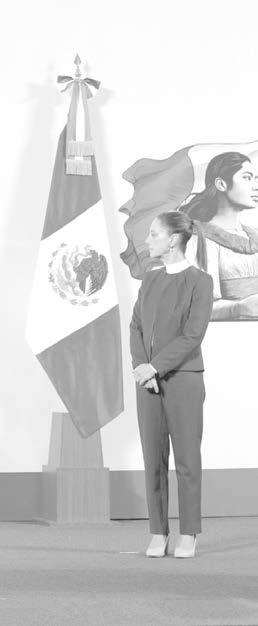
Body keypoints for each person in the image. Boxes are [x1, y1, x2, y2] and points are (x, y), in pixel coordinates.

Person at [130, 211, 213, 558]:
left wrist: (155, 366)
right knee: (153, 458)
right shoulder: (149, 279)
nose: (148, 239)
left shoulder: (200, 281)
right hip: (148, 382)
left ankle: (189, 532)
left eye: (154, 234)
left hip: (183, 380)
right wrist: (141, 367)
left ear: (174, 239)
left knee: (187, 459)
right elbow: (136, 326)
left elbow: (193, 335)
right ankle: (157, 531)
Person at [181, 152, 258, 320]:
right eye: (247, 178)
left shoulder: (254, 235)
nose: (255, 186)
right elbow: (195, 308)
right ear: (221, 184)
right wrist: (238, 308)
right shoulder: (199, 239)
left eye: (256, 178)